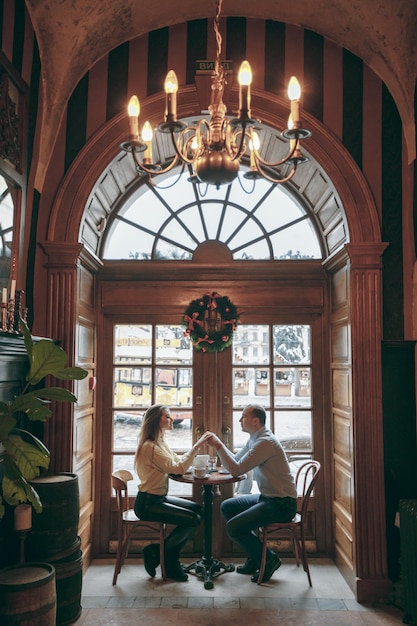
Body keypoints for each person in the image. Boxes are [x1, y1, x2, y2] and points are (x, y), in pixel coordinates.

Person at [205, 404, 297, 583]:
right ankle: (256, 558)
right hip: (268, 497)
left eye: (243, 416)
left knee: (233, 528)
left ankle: (269, 559)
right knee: (228, 506)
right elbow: (232, 463)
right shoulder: (255, 438)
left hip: (282, 504)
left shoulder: (265, 442)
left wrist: (218, 444)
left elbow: (236, 470)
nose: (239, 420)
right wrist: (220, 455)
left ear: (255, 421)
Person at [134, 404, 209, 581]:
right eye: (167, 416)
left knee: (199, 510)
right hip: (148, 504)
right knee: (193, 520)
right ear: (155, 421)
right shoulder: (150, 447)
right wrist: (197, 446)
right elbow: (178, 468)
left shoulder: (160, 442)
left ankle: (159, 553)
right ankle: (167, 558)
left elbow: (177, 463)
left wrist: (192, 461)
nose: (172, 419)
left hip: (157, 498)